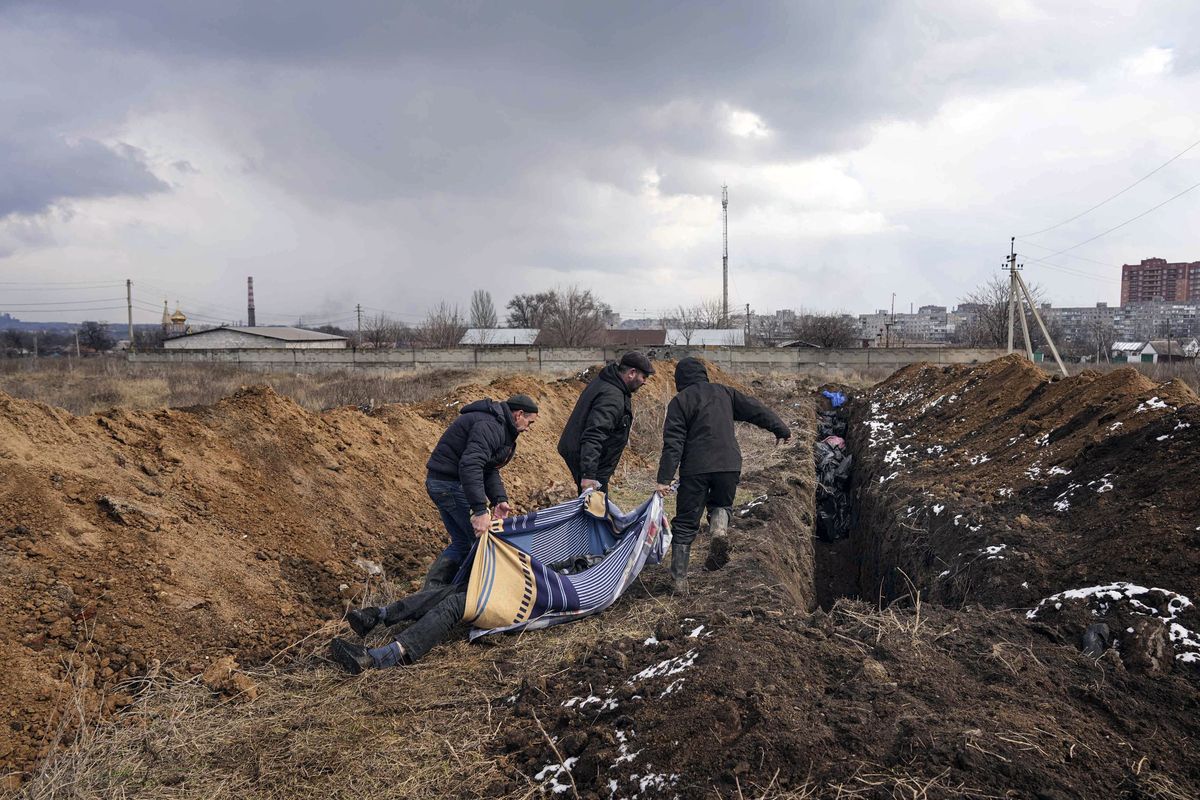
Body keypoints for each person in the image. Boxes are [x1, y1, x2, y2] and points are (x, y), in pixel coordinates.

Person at [654, 358, 790, 594]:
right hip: (729, 464)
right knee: (722, 504)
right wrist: (780, 428)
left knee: (686, 522)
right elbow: (755, 410)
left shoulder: (680, 401)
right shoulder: (725, 393)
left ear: (680, 380)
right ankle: (718, 530)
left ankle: (679, 581)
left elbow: (673, 443)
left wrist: (664, 478)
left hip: (696, 468)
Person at [417, 394, 539, 590]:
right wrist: (480, 511)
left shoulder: (500, 425)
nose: (528, 428)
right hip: (449, 485)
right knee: (483, 542)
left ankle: (432, 593)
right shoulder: (490, 426)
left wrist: (499, 499)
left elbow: (489, 467)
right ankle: (476, 593)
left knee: (463, 542)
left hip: (441, 482)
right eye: (529, 422)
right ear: (519, 414)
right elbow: (471, 465)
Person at [557, 351, 654, 495]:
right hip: (590, 461)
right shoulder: (612, 396)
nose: (645, 382)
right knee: (595, 508)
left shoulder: (609, 382)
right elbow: (594, 434)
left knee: (596, 506)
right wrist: (589, 475)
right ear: (632, 373)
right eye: (644, 376)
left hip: (588, 458)